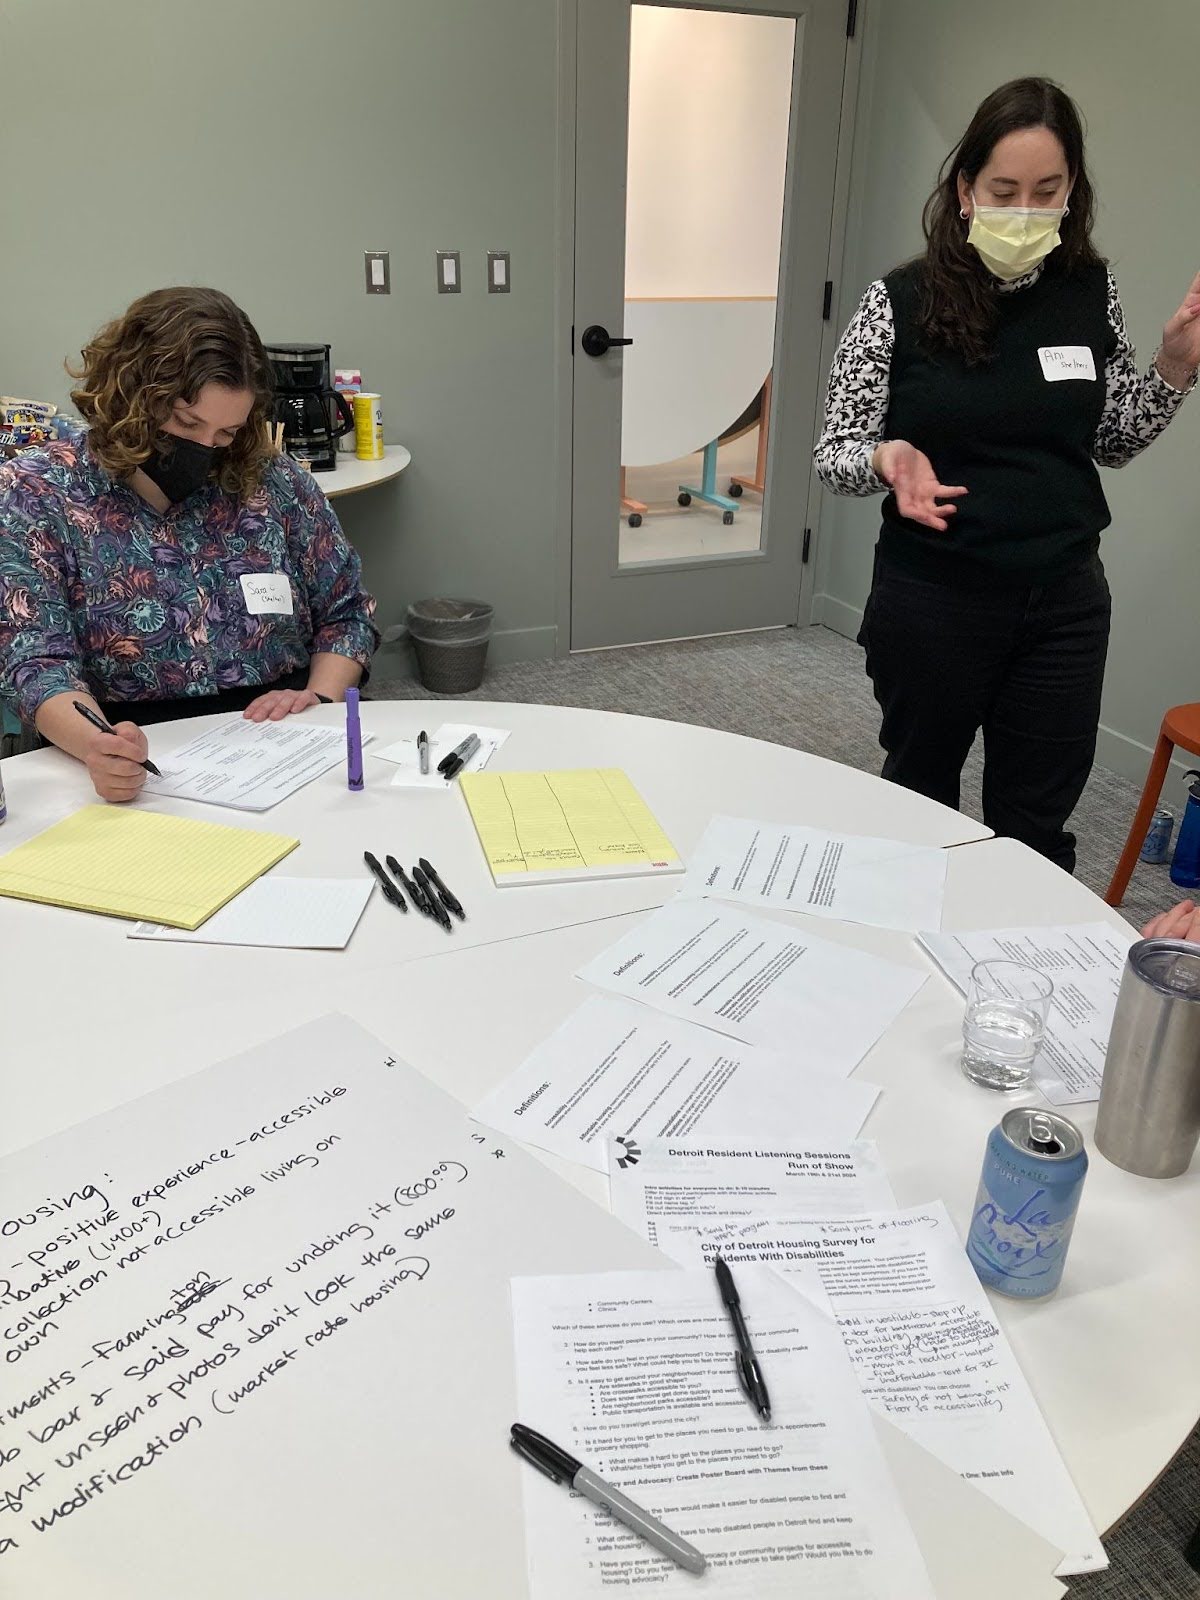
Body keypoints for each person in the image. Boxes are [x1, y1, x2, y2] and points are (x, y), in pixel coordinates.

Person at [815, 77, 1198, 873]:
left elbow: (1114, 440)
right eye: (1004, 190)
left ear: (1072, 194)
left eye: (1046, 191)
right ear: (965, 190)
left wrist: (1172, 367)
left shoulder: (1090, 293)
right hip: (935, 599)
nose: (1025, 209)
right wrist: (886, 458)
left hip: (1061, 601)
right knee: (920, 803)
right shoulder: (901, 300)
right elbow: (836, 450)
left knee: (1037, 825)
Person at [0, 286, 379, 803]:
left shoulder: (274, 482)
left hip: (281, 744)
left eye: (226, 433)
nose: (204, 450)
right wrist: (99, 746)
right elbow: (35, 662)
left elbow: (347, 614)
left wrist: (318, 696)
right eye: (185, 423)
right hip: (134, 751)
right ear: (130, 394)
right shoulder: (39, 493)